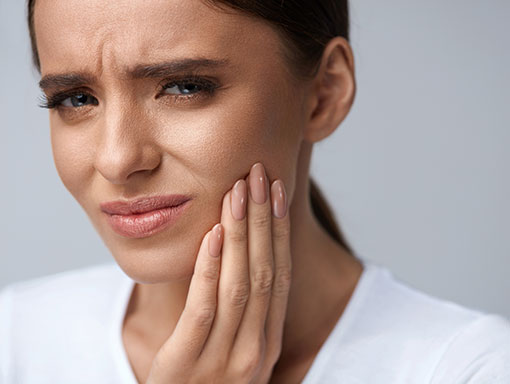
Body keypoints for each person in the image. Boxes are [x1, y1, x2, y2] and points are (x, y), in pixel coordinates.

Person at [1, 0, 509, 383]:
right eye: (76, 98)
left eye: (184, 87)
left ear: (324, 93)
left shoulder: (467, 367)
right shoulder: (14, 342)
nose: (117, 159)